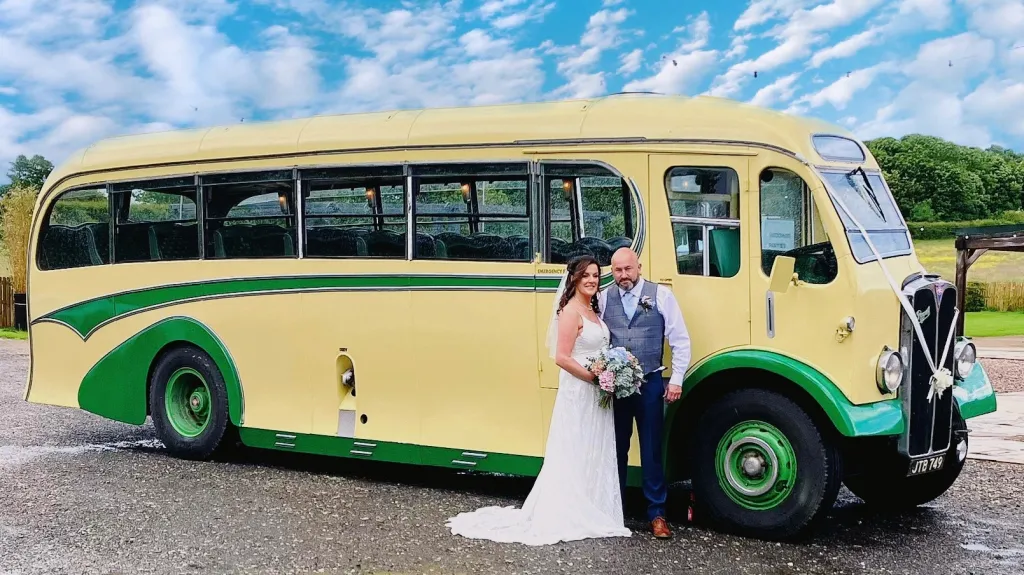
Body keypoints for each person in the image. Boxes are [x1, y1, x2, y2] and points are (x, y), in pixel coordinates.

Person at [445, 255, 632, 545]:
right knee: (574, 445)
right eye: (586, 276)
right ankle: (569, 510)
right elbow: (561, 357)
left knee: (593, 446)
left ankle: (595, 505)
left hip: (596, 392)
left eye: (595, 275)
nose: (592, 280)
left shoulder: (593, 309)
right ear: (574, 279)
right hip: (580, 390)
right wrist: (593, 377)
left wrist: (607, 373)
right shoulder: (571, 312)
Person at [598, 247, 691, 540]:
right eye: (617, 270)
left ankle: (657, 514)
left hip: (650, 383)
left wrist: (675, 380)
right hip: (615, 388)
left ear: (639, 266)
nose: (623, 275)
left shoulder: (661, 295)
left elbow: (680, 339)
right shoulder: (603, 298)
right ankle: (615, 512)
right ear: (611, 271)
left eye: (627, 269)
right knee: (616, 449)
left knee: (651, 450)